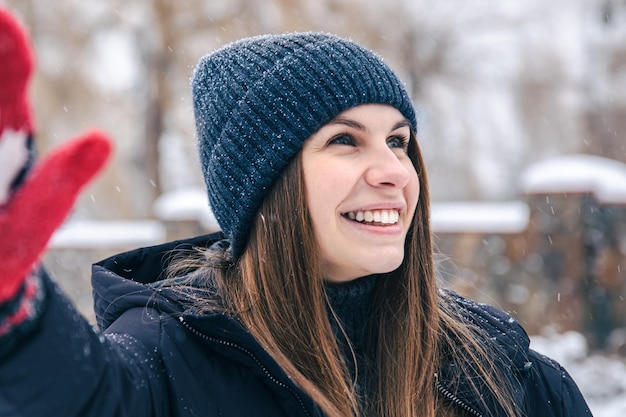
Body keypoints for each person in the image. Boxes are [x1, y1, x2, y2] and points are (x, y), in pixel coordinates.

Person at [0, 7, 592, 417]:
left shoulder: (501, 375)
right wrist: (17, 307)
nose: (393, 169)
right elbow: (76, 396)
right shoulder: (165, 363)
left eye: (398, 141)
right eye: (345, 140)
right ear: (267, 187)